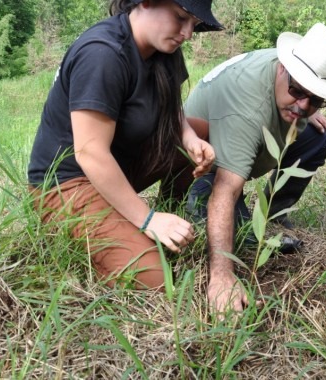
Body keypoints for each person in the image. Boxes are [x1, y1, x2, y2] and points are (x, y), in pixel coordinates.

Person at [27, 0, 223, 289]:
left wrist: (189, 139)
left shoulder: (164, 47)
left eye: (194, 24)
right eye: (181, 17)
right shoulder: (102, 54)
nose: (188, 33)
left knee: (205, 132)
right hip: (68, 182)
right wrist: (147, 220)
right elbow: (90, 153)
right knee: (152, 277)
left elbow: (172, 106)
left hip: (121, 163)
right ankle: (121, 233)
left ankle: (171, 210)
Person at [183, 23, 326, 312]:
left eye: (316, 99)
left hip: (246, 130)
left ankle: (274, 213)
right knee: (243, 238)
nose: (303, 106)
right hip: (204, 157)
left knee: (316, 137)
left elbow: (301, 100)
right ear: (282, 69)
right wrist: (222, 276)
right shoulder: (247, 108)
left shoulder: (292, 74)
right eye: (298, 91)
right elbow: (225, 192)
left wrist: (302, 105)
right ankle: (196, 195)